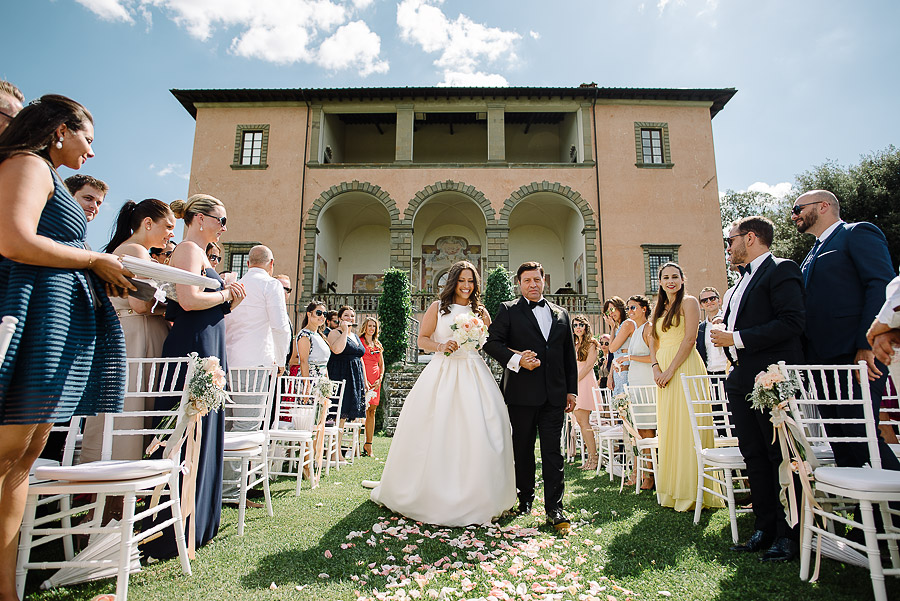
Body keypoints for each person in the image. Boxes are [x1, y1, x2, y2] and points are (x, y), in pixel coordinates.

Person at [0, 94, 132, 598]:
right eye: (88, 139)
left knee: (23, 460)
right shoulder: (28, 164)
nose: (92, 153)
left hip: (55, 326)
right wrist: (92, 263)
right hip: (30, 317)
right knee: (7, 454)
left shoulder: (50, 175)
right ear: (60, 129)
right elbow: (13, 240)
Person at [141, 194, 247, 560]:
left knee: (205, 427)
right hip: (193, 347)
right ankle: (175, 526)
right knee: (186, 428)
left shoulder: (201, 254)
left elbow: (207, 303)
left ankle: (198, 519)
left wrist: (231, 299)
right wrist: (223, 293)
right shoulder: (188, 248)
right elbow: (187, 299)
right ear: (199, 219)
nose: (224, 227)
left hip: (209, 339)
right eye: (221, 219)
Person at [373, 260, 516, 526]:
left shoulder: (481, 312)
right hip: (444, 372)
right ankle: (430, 490)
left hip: (474, 372)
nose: (466, 286)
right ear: (452, 282)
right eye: (461, 280)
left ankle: (481, 493)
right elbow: (422, 340)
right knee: (437, 428)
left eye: (471, 281)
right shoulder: (438, 308)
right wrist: (441, 346)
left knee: (483, 429)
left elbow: (492, 343)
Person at [711, 216, 806, 562]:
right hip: (739, 376)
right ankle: (764, 527)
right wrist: (727, 334)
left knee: (780, 454)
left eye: (730, 240)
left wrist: (735, 337)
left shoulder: (781, 271)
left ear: (750, 238)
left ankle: (790, 533)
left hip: (772, 377)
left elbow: (792, 322)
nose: (728, 247)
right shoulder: (735, 286)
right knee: (752, 453)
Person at [791, 190, 900, 473]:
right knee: (841, 444)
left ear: (824, 206)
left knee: (862, 438)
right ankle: (864, 514)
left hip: (854, 356)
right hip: (822, 362)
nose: (794, 215)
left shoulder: (857, 233)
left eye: (798, 208)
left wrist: (867, 342)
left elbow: (881, 285)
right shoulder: (810, 255)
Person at [80, 199, 176, 466]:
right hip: (137, 334)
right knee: (131, 407)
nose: (171, 234)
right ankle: (121, 477)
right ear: (147, 224)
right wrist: (175, 305)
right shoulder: (136, 250)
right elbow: (141, 303)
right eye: (168, 226)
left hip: (126, 329)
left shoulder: (123, 248)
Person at [484, 261, 578, 532]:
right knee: (523, 449)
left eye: (537, 279)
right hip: (522, 394)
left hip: (554, 395)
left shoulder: (561, 313)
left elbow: (568, 355)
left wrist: (571, 390)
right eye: (527, 281)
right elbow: (491, 343)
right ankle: (525, 498)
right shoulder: (508, 310)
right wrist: (517, 360)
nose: (533, 285)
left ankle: (555, 508)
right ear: (519, 283)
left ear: (543, 280)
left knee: (553, 452)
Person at [649, 262, 723, 512]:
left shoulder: (689, 302)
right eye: (666, 277)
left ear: (682, 279)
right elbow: (653, 342)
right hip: (663, 372)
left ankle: (694, 491)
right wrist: (656, 368)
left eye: (675, 277)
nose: (670, 281)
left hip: (685, 368)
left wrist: (670, 370)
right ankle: (672, 490)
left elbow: (690, 339)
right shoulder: (658, 307)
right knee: (670, 427)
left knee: (688, 426)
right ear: (659, 282)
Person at [222, 245, 291, 503]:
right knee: (246, 427)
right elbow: (280, 326)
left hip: (228, 362)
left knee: (228, 425)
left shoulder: (234, 285)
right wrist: (281, 359)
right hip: (255, 364)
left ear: (248, 263)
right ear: (271, 264)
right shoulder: (270, 285)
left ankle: (224, 486)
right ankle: (231, 491)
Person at [616, 294, 655, 489]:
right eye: (628, 308)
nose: (629, 312)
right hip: (635, 382)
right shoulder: (636, 331)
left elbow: (653, 358)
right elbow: (636, 358)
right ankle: (646, 473)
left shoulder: (649, 328)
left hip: (647, 384)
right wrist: (624, 366)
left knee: (648, 430)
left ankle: (651, 476)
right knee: (640, 430)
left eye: (633, 308)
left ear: (644, 309)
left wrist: (629, 357)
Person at [326, 306, 366, 427]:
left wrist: (365, 380)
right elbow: (337, 350)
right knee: (339, 413)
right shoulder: (334, 333)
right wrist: (344, 332)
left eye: (352, 316)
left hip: (355, 377)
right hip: (341, 374)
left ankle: (339, 443)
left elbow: (360, 358)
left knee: (347, 416)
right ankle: (334, 444)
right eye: (346, 316)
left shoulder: (355, 336)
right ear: (339, 318)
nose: (350, 318)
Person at [571, 315, 600, 471]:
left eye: (581, 324)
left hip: (584, 383)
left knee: (584, 422)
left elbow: (589, 366)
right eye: (575, 325)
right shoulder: (574, 345)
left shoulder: (591, 344)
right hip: (575, 384)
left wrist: (574, 382)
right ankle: (590, 457)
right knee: (581, 423)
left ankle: (594, 458)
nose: (578, 327)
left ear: (586, 326)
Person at [359, 317, 384, 458]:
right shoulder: (360, 342)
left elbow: (381, 364)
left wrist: (380, 378)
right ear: (365, 327)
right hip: (364, 380)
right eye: (369, 326)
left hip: (375, 382)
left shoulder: (377, 344)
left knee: (372, 412)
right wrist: (364, 380)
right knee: (361, 412)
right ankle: (355, 444)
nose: (372, 328)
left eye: (374, 326)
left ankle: (369, 444)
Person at [290, 301, 331, 379]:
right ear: (309, 314)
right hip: (310, 380)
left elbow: (324, 365)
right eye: (318, 313)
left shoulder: (320, 336)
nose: (322, 316)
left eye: (325, 314)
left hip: (322, 381)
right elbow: (303, 361)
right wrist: (307, 386)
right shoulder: (304, 335)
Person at [603, 296, 633, 395]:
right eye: (608, 312)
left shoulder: (626, 324)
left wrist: (612, 328)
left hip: (626, 367)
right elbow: (614, 354)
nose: (611, 314)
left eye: (612, 309)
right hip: (617, 367)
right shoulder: (618, 328)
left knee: (624, 400)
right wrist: (610, 375)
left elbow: (611, 348)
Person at [695, 286, 728, 376]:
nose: (709, 302)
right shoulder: (700, 328)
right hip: (709, 376)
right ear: (701, 305)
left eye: (712, 298)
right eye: (705, 300)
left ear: (719, 301)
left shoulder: (729, 321)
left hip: (728, 373)